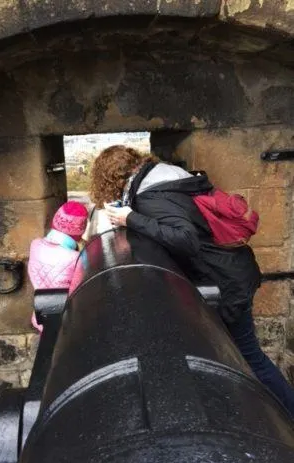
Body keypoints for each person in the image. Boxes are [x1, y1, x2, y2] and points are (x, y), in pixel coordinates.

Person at [90, 145, 294, 417]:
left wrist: (132, 219)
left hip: (224, 280)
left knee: (249, 357)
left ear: (111, 179)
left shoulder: (150, 195)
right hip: (232, 270)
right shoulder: (167, 175)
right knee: (236, 353)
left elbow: (186, 239)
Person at [28, 201, 88, 333]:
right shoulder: (75, 258)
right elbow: (78, 291)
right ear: (80, 231)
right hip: (65, 321)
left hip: (40, 315)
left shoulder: (35, 245)